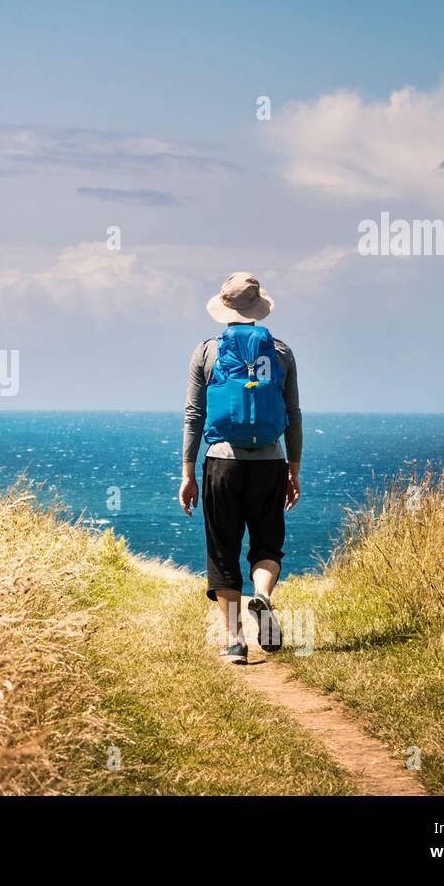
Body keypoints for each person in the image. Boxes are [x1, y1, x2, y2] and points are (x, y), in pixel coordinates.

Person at [179, 272, 302, 663]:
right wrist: (293, 469)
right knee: (267, 543)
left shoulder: (207, 352)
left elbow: (194, 415)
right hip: (270, 461)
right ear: (258, 308)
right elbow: (294, 415)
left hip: (221, 463)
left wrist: (187, 472)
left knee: (222, 550)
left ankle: (235, 641)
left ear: (225, 308)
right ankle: (262, 596)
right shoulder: (281, 352)